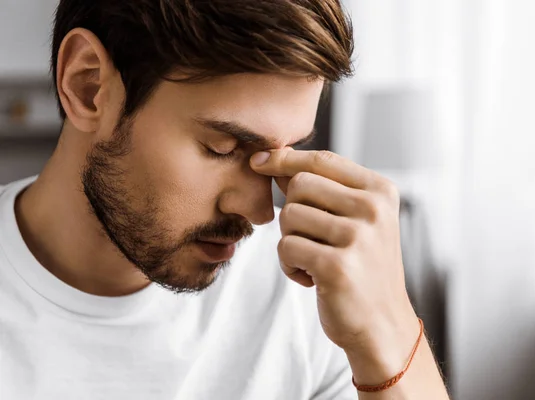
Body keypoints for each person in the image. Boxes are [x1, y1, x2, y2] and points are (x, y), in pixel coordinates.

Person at [0, 1, 450, 399]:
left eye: (281, 157)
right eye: (223, 148)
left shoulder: (309, 295)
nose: (258, 213)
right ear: (89, 86)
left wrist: (387, 330)